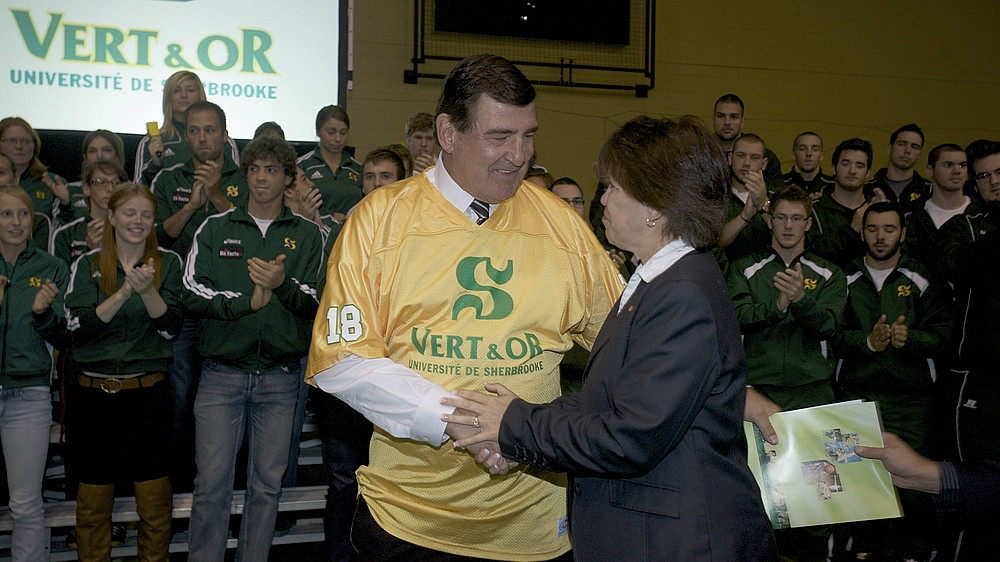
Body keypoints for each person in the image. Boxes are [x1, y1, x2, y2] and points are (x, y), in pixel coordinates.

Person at [305, 53, 623, 561]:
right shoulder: (380, 221)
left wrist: (731, 389)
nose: (518, 155)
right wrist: (460, 420)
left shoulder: (562, 226)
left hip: (533, 528)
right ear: (447, 134)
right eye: (499, 136)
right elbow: (343, 360)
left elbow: (631, 341)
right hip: (409, 521)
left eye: (528, 135)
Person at [440, 115, 778, 561]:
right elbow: (603, 398)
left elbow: (629, 437)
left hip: (678, 541)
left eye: (614, 188)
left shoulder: (682, 294)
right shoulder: (659, 280)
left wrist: (514, 424)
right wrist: (518, 435)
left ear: (655, 206)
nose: (604, 201)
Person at [184, 136, 322, 562]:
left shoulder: (309, 235)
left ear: (288, 179)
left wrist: (283, 289)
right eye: (254, 169)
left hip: (281, 380)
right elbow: (190, 293)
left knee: (267, 487)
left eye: (272, 170)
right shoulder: (216, 227)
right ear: (244, 175)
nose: (261, 178)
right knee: (211, 485)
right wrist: (245, 303)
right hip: (221, 376)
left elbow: (322, 303)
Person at [65, 183, 181, 560]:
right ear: (111, 217)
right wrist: (124, 293)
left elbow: (172, 329)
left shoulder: (169, 263)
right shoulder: (86, 265)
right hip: (93, 399)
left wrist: (148, 292)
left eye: (146, 214)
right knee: (93, 508)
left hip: (148, 396)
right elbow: (77, 331)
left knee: (155, 507)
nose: (138, 221)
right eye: (129, 213)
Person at [149, 100, 247, 492]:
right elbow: (155, 239)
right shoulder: (168, 180)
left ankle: (232, 490)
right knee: (179, 404)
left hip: (234, 310)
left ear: (224, 134)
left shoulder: (248, 177)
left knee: (234, 409)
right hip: (183, 309)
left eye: (210, 130)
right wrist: (192, 204)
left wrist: (218, 196)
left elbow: (254, 233)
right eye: (194, 130)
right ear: (184, 135)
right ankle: (180, 490)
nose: (202, 138)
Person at [0, 185, 69, 561]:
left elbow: (64, 336)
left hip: (28, 394)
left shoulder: (51, 266)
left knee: (25, 504)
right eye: (5, 214)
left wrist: (43, 313)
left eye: (22, 214)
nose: (15, 222)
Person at [134, 70, 238, 186]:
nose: (184, 95)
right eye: (177, 91)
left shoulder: (224, 140)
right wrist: (155, 164)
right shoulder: (151, 142)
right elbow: (138, 191)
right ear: (168, 98)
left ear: (200, 95)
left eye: (190, 90)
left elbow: (236, 186)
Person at [808, 138, 885, 270]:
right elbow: (811, 256)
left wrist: (883, 217)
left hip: (869, 288)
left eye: (859, 165)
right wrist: (852, 230)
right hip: (826, 287)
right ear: (833, 168)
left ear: (867, 173)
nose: (852, 171)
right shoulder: (813, 210)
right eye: (845, 164)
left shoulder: (876, 209)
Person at [903, 143, 971, 270]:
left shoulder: (981, 213)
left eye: (962, 165)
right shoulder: (910, 216)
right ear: (930, 170)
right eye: (948, 165)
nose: (957, 171)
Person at [51, 160, 128, 265]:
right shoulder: (66, 234)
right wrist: (89, 250)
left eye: (116, 183)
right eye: (101, 182)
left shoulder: (131, 230)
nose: (110, 189)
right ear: (86, 189)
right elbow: (62, 279)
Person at [296, 105, 362, 223]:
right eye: (331, 132)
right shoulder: (302, 166)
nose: (338, 139)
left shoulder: (358, 169)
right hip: (315, 233)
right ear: (318, 131)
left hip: (351, 233)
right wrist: (329, 215)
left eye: (343, 133)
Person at [0, 116, 69, 223]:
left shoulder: (53, 183)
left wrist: (66, 203)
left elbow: (68, 229)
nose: (18, 146)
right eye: (11, 141)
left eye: (25, 141)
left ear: (34, 145)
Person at [711, 94, 782, 191]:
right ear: (713, 120)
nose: (727, 122)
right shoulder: (700, 155)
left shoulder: (764, 156)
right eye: (721, 116)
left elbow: (778, 196)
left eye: (734, 117)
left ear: (742, 122)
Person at [718, 133, 771, 263]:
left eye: (754, 158)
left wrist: (763, 203)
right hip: (727, 276)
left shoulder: (777, 198)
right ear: (730, 158)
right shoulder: (716, 197)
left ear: (764, 164)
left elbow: (787, 237)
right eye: (741, 156)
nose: (747, 163)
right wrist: (744, 217)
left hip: (766, 277)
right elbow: (715, 243)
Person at [65, 130, 127, 220]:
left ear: (117, 156)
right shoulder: (69, 190)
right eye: (92, 151)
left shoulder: (133, 191)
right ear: (86, 158)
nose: (99, 156)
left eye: (106, 150)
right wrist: (65, 204)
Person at [866, 124, 931, 205]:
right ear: (889, 149)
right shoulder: (867, 190)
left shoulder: (930, 191)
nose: (907, 150)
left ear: (919, 155)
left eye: (914, 147)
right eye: (901, 144)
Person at [782, 131, 833, 197]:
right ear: (793, 155)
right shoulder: (780, 185)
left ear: (821, 156)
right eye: (802, 149)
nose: (809, 153)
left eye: (815, 149)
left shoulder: (833, 187)